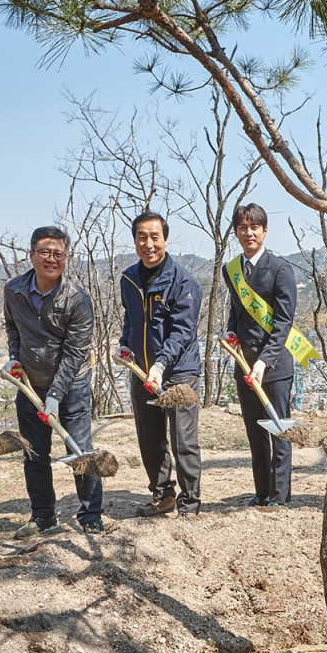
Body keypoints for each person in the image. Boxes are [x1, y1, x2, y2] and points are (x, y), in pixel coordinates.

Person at [3, 226, 104, 537]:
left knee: (80, 450)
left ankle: (90, 515)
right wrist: (14, 358)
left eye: (58, 254)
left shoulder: (77, 299)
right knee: (34, 452)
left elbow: (76, 353)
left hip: (71, 386)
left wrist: (57, 394)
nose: (51, 259)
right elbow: (13, 327)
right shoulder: (14, 290)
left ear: (66, 258)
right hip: (31, 384)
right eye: (44, 252)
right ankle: (43, 516)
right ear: (31, 254)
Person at [222, 203, 315, 508]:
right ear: (236, 232)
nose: (248, 233)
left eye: (254, 227)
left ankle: (279, 495)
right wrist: (231, 332)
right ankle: (261, 491)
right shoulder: (231, 270)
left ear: (264, 231)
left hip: (274, 365)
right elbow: (236, 312)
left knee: (278, 428)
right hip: (243, 363)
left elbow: (283, 323)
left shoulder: (280, 269)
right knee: (254, 430)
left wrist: (264, 360)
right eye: (242, 228)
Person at [119, 211, 203, 518]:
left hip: (179, 372)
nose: (149, 244)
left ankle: (190, 503)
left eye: (155, 237)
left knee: (183, 440)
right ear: (135, 241)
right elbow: (131, 318)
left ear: (165, 239)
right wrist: (125, 345)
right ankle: (163, 494)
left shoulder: (184, 282)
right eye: (142, 237)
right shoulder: (129, 278)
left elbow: (183, 330)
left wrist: (161, 365)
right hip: (142, 370)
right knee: (150, 437)